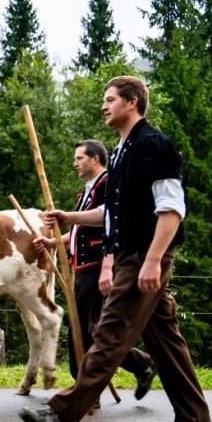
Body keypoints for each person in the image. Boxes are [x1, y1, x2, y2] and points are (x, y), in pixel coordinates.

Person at [19, 75, 212, 422]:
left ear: (133, 102)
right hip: (132, 253)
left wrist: (154, 260)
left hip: (142, 255)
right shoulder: (123, 149)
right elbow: (115, 211)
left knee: (109, 333)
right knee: (165, 342)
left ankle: (61, 416)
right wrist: (70, 218)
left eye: (110, 99)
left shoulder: (154, 145)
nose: (103, 105)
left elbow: (172, 208)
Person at [33, 139, 155, 401]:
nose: (75, 163)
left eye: (80, 158)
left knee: (85, 327)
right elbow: (79, 230)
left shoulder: (108, 182)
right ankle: (132, 368)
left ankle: (86, 389)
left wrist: (67, 216)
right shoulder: (89, 188)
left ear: (95, 159)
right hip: (85, 265)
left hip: (99, 264)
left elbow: (106, 216)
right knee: (89, 327)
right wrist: (55, 242)